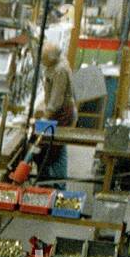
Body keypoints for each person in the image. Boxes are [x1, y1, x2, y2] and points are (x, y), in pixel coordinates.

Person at [38, 40, 76, 182]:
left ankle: (57, 184)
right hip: (57, 111)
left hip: (62, 113)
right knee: (55, 147)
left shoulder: (60, 70)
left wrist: (43, 119)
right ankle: (49, 181)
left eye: (44, 59)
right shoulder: (54, 63)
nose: (42, 62)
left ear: (52, 59)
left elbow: (56, 101)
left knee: (52, 148)